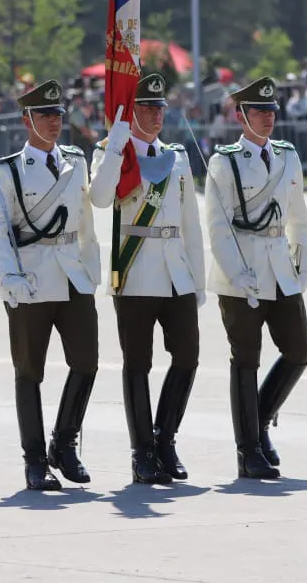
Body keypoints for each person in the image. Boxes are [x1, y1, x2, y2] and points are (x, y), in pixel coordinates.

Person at [0, 79, 101, 492]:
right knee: (29, 371)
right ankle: (35, 461)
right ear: (27, 120)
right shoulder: (10, 170)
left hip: (71, 274)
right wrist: (8, 279)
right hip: (30, 279)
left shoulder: (76, 160)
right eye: (45, 116)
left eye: (57, 115)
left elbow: (86, 220)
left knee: (87, 361)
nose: (53, 123)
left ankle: (63, 444)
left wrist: (91, 266)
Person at [89, 73, 205, 484]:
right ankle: (142, 452)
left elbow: (191, 222)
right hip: (135, 270)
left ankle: (165, 438)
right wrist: (117, 143)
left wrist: (199, 282)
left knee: (188, 357)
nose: (156, 116)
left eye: (160, 109)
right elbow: (100, 198)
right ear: (131, 111)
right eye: (147, 108)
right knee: (138, 363)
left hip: (176, 273)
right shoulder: (112, 151)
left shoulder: (176, 156)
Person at [204, 76, 307, 480]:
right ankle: (247, 450)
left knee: (299, 350)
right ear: (240, 116)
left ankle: (261, 419)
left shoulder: (288, 156)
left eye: (271, 112)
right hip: (242, 274)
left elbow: (298, 218)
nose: (268, 118)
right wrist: (236, 272)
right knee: (246, 361)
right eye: (259, 112)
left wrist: (304, 265)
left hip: (280, 269)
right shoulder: (225, 161)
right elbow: (217, 227)